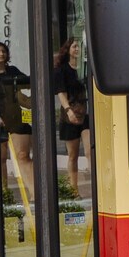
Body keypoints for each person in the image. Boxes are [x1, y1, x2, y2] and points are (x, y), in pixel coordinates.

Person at [0, 42, 35, 204]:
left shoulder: (13, 71)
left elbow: (29, 83)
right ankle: (5, 195)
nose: (1, 54)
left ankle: (34, 193)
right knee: (0, 159)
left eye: (3, 51)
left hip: (16, 118)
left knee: (23, 156)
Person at [53, 37, 91, 199]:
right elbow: (61, 92)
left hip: (86, 112)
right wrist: (68, 110)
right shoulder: (61, 70)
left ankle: (95, 185)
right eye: (74, 46)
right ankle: (73, 190)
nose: (77, 49)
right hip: (71, 114)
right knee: (73, 155)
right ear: (67, 49)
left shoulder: (85, 68)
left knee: (90, 150)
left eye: (79, 47)